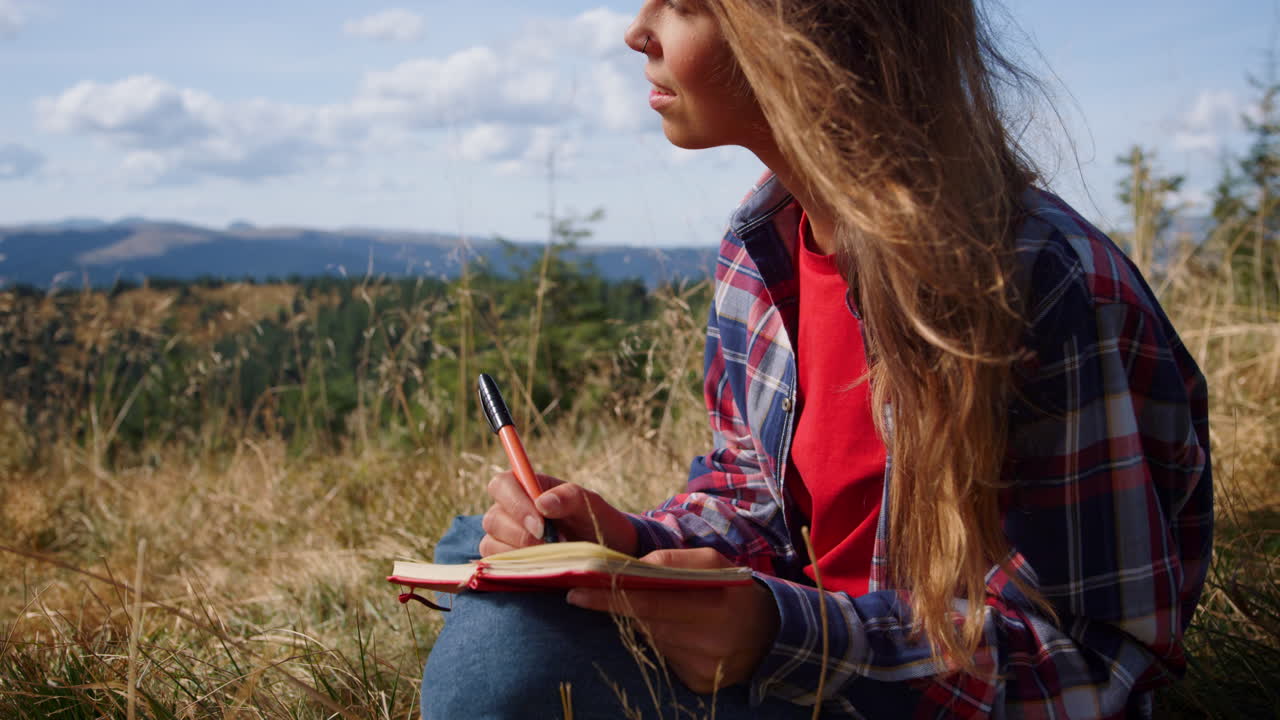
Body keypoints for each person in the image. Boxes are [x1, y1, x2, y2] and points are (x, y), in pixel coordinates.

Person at [420, 0, 1213, 717]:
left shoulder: (1033, 284)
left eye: (686, 5)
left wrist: (784, 632)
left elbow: (1091, 660)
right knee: (476, 546)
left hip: (904, 684)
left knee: (504, 657)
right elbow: (757, 500)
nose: (638, 31)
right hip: (810, 635)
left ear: (812, 38)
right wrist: (630, 540)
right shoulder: (761, 244)